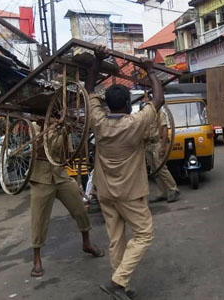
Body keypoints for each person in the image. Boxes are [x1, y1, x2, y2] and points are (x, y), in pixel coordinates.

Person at [90, 77, 164, 299]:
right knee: (144, 234)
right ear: (127, 105)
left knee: (116, 239)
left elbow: (88, 90)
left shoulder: (98, 121)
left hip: (105, 191)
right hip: (129, 192)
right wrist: (151, 72)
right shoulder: (135, 123)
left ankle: (120, 283)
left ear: (109, 104)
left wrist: (96, 64)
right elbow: (158, 99)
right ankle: (117, 281)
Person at [29, 122, 104, 277]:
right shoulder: (33, 127)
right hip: (41, 178)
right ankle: (37, 259)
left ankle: (86, 243)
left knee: (80, 208)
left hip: (60, 175)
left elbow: (65, 156)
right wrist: (47, 132)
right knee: (38, 219)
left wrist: (66, 134)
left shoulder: (60, 128)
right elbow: (37, 151)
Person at [143, 102, 180, 203]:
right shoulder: (145, 114)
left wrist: (163, 146)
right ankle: (162, 192)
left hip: (157, 143)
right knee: (154, 169)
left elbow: (164, 129)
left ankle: (173, 189)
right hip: (148, 145)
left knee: (161, 168)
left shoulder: (160, 113)